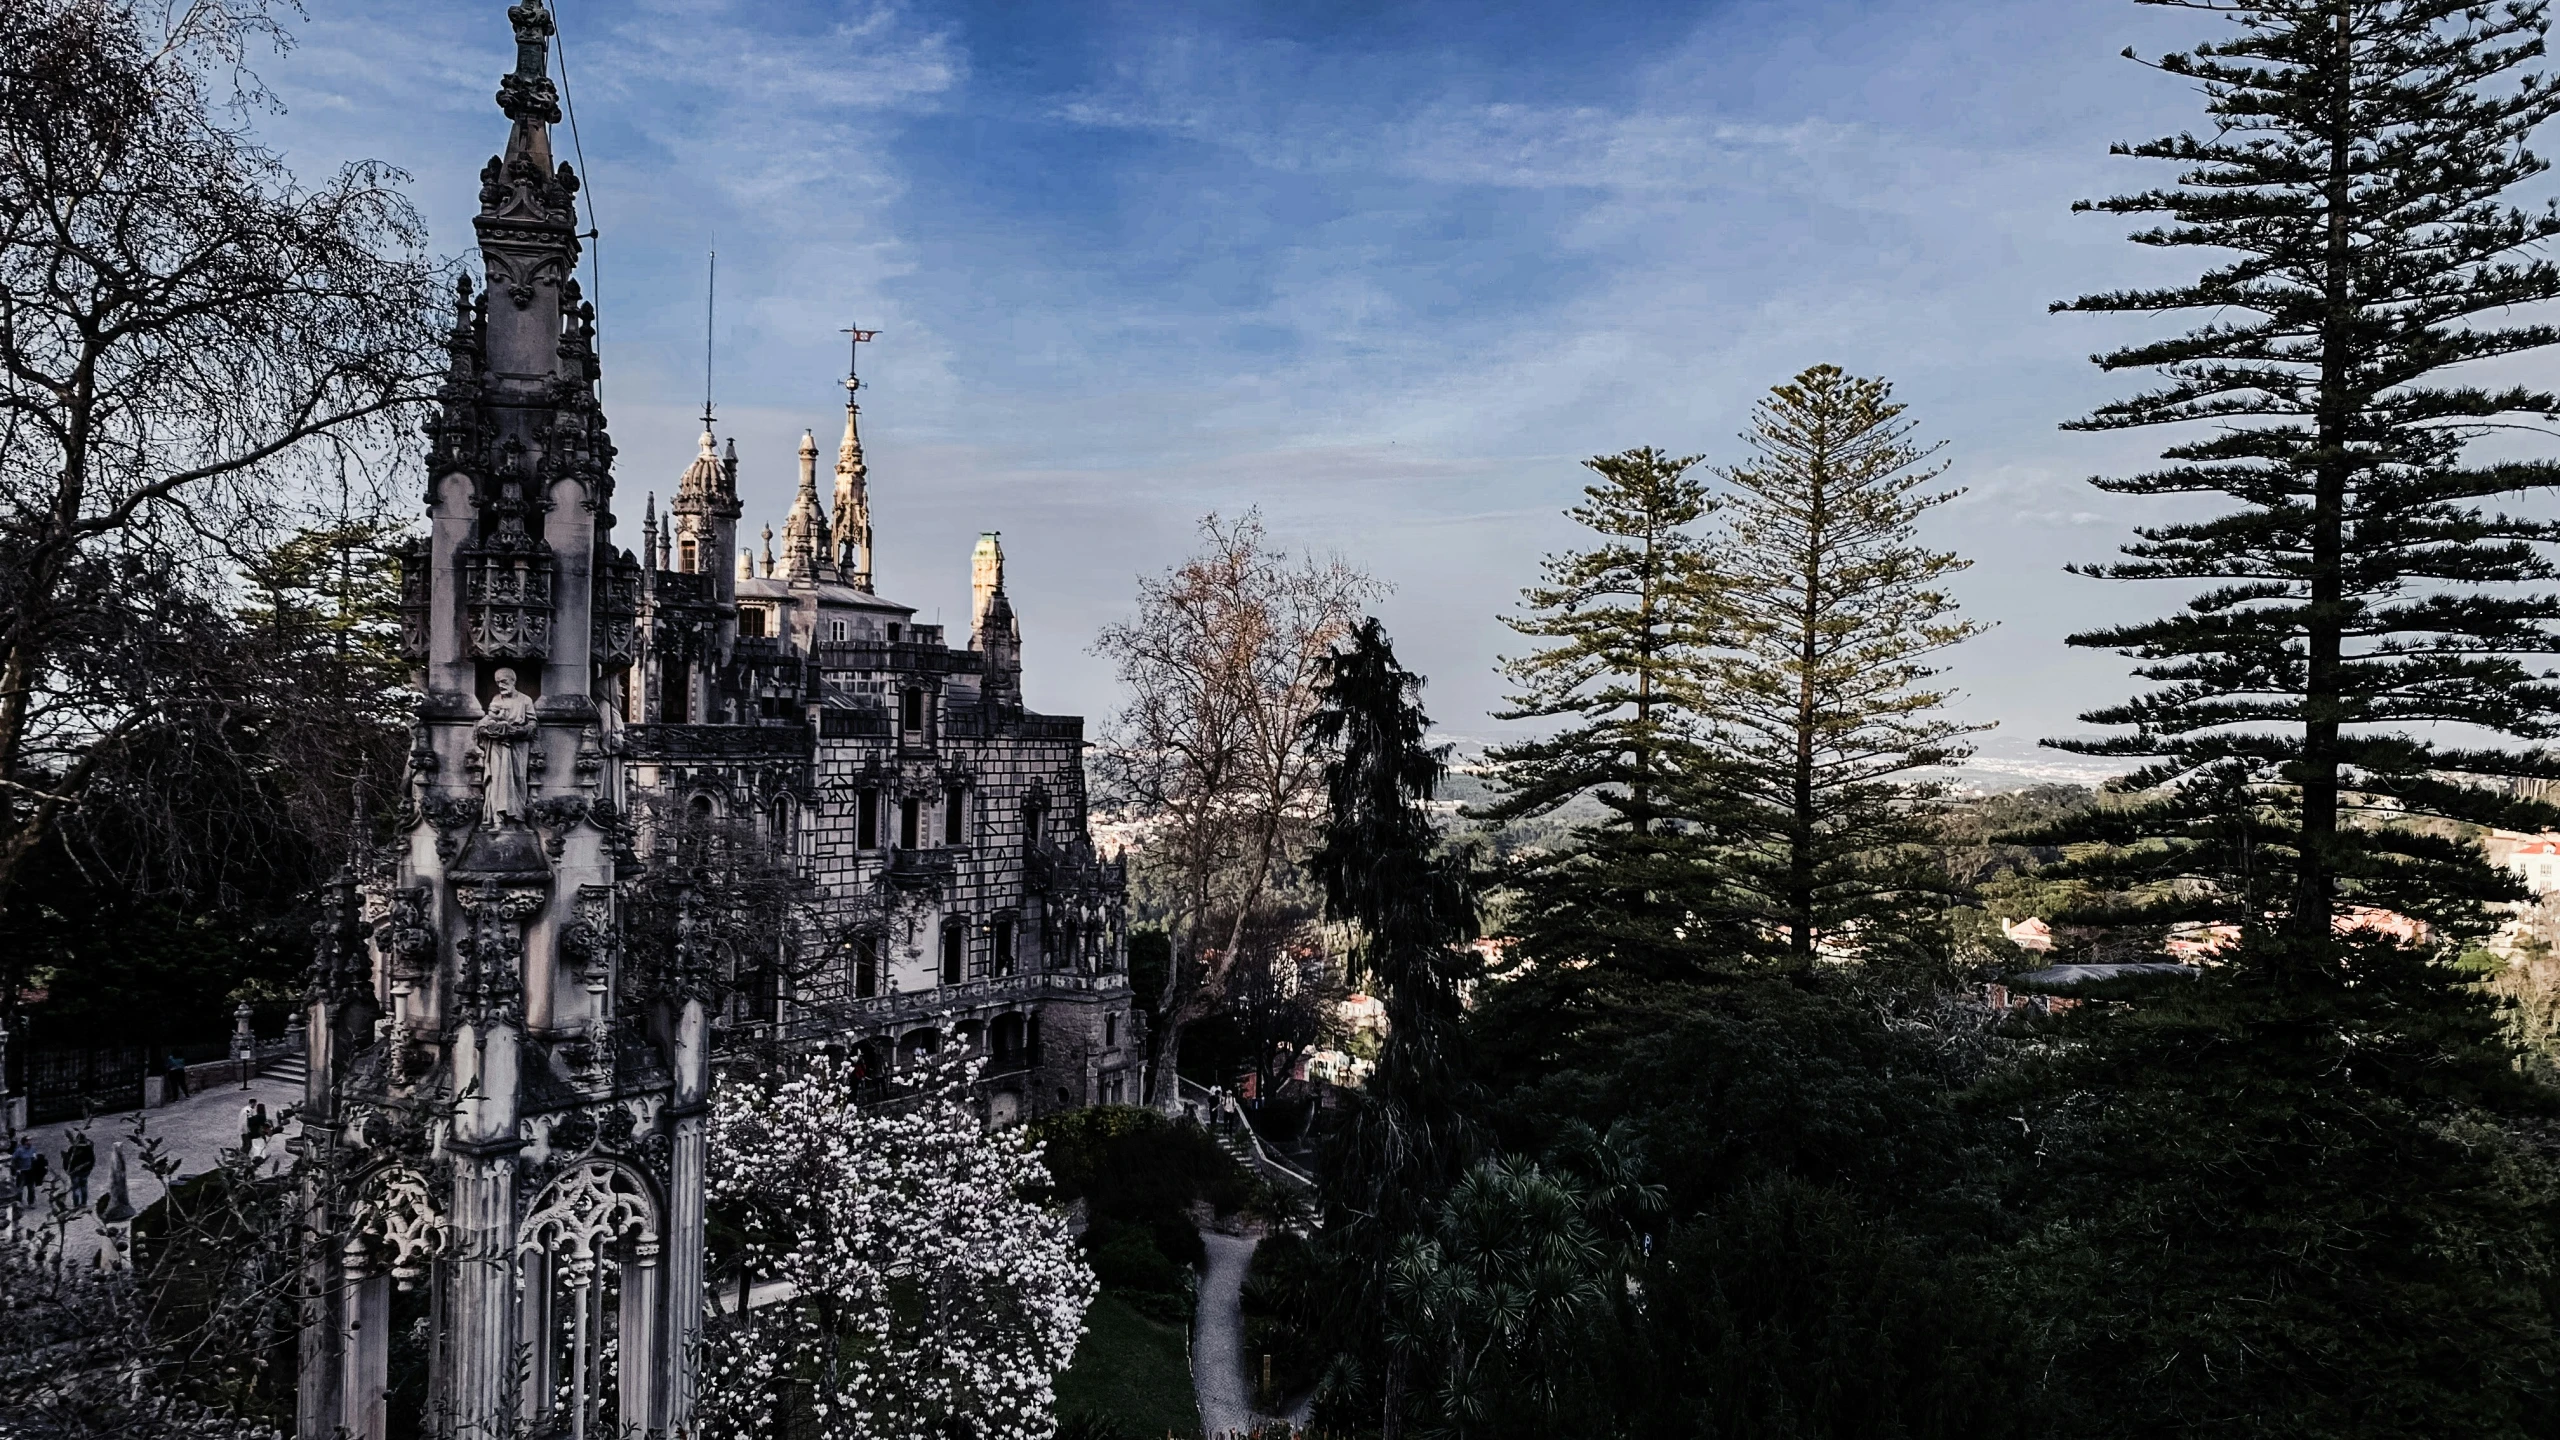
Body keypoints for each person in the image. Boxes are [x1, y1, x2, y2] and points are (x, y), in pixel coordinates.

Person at [62, 1129, 93, 1208]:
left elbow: (67, 1161)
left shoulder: (72, 1149)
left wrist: (67, 1170)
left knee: (76, 1188)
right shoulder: (88, 1149)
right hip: (84, 1172)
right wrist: (88, 1170)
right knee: (83, 1187)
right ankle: (83, 1203)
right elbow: (92, 1161)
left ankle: (76, 1205)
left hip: (74, 1173)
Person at [9, 1135, 34, 1206]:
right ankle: (18, 1203)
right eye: (29, 1140)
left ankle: (31, 1203)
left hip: (30, 1171)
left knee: (31, 1188)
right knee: (20, 1188)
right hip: (22, 1171)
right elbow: (13, 1160)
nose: (30, 1142)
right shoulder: (19, 1151)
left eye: (31, 1140)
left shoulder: (33, 1149)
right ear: (25, 1142)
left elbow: (34, 1159)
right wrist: (16, 1169)